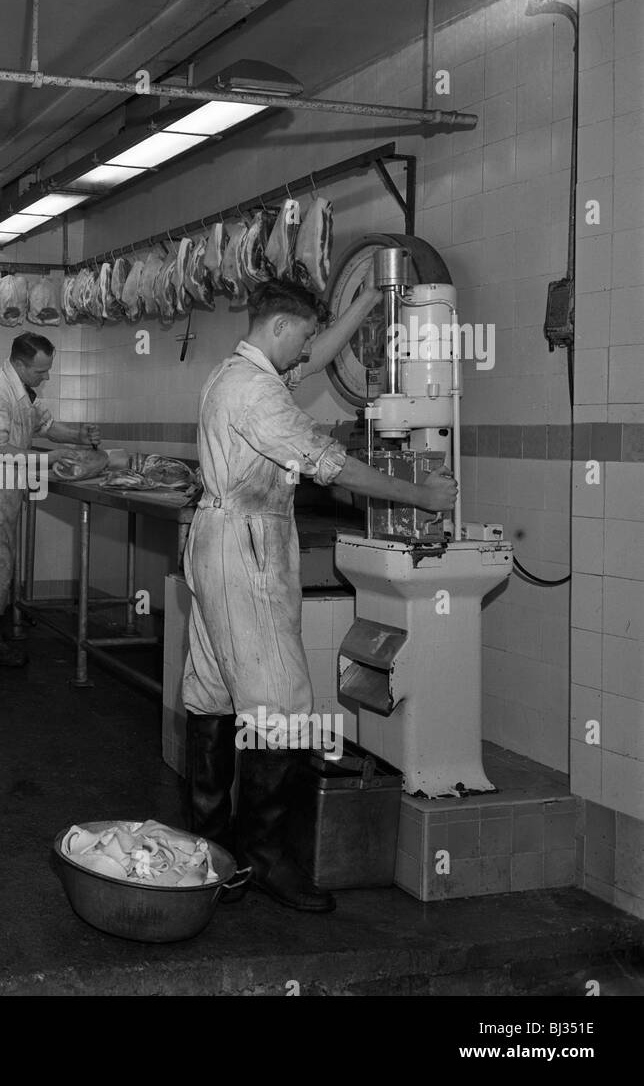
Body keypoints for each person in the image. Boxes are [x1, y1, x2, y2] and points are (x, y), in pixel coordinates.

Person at [182, 277, 457, 913]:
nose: (307, 350)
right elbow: (328, 462)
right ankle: (264, 860)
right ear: (279, 328)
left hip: (218, 540)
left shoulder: (238, 371)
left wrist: (364, 302)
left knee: (214, 694)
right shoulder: (256, 393)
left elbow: (313, 352)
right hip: (246, 551)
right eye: (302, 336)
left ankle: (211, 853)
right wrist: (422, 495)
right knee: (280, 706)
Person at [0, 332, 101, 667]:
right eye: (41, 371)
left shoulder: (23, 389)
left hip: (5, 488)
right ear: (20, 364)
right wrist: (49, 459)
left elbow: (48, 425)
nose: (46, 377)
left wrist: (79, 435)